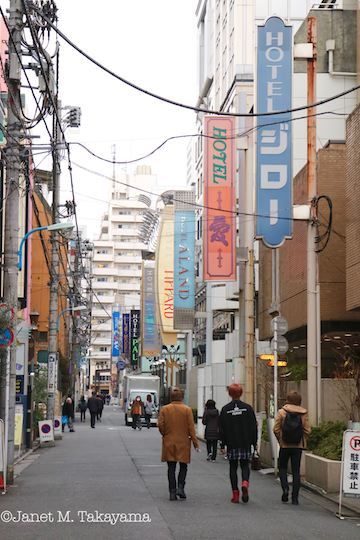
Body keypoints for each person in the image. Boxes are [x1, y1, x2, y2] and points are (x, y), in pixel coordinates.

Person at [158, 387, 199, 501]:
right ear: (181, 397)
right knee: (183, 466)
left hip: (169, 441)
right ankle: (181, 487)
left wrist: (165, 434)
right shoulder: (187, 410)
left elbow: (160, 424)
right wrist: (195, 443)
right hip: (183, 442)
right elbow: (191, 428)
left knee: (171, 467)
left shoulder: (165, 409)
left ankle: (172, 491)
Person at [219, 384, 257, 504]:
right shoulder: (248, 408)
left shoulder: (225, 409)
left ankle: (235, 494)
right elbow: (253, 427)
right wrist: (254, 443)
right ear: (241, 393)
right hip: (245, 442)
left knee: (233, 467)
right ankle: (245, 482)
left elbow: (222, 429)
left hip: (232, 443)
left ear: (230, 394)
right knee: (245, 465)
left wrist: (222, 444)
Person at [273, 391, 311, 505]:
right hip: (297, 446)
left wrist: (281, 439)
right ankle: (295, 498)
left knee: (283, 468)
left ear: (288, 400)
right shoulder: (303, 413)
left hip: (284, 445)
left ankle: (285, 489)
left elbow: (275, 429)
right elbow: (308, 430)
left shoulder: (282, 412)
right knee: (296, 471)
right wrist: (302, 439)